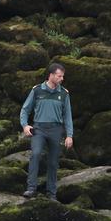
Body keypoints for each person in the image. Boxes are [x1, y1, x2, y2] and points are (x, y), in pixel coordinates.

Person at [19, 63, 74, 200]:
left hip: (56, 130)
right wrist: (25, 125)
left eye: (63, 76)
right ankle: (31, 189)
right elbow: (25, 110)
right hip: (39, 129)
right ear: (51, 75)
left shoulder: (64, 93)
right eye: (59, 76)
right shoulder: (37, 90)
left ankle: (51, 194)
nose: (62, 79)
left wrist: (69, 135)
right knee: (36, 154)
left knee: (53, 162)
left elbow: (68, 116)